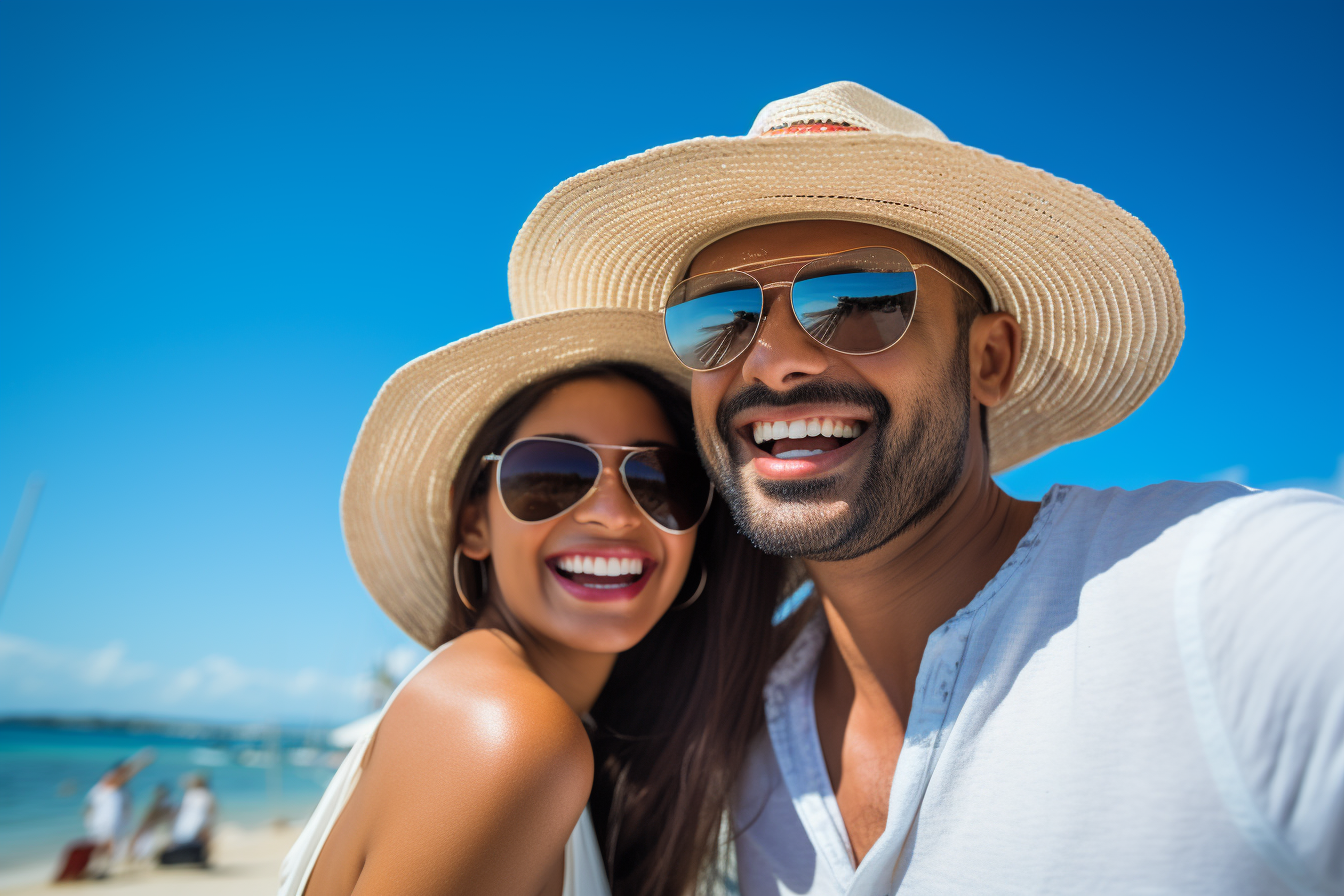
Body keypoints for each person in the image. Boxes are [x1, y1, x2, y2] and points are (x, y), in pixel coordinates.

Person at [508, 82, 1344, 894]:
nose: (774, 357)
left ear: (990, 360)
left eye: (861, 301)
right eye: (719, 318)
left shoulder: (1219, 598)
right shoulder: (705, 741)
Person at [280, 310, 791, 895]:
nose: (613, 512)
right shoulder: (501, 731)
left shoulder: (528, 725)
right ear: (473, 522)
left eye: (659, 482)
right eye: (552, 474)